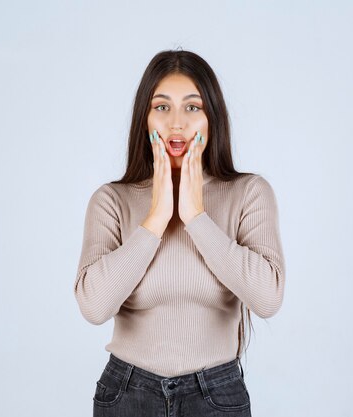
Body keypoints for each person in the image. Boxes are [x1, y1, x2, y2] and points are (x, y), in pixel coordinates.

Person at [74, 49, 286, 417]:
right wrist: (157, 217)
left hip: (215, 394)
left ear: (211, 119)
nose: (176, 124)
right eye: (161, 107)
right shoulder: (112, 200)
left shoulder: (248, 193)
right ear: (145, 118)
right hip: (127, 393)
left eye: (192, 107)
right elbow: (94, 307)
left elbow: (267, 299)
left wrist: (194, 216)